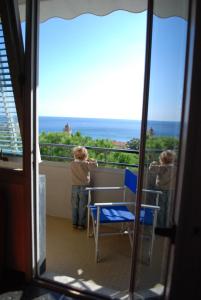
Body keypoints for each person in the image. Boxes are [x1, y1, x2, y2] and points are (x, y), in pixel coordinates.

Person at [70, 146, 98, 230]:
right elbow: (95, 166)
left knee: (74, 205)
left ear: (75, 155)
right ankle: (81, 225)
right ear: (85, 156)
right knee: (83, 206)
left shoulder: (72, 164)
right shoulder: (86, 164)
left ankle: (74, 223)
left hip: (74, 186)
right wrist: (93, 161)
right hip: (84, 187)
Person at [149, 150, 176, 227]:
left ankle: (160, 225)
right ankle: (167, 224)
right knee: (169, 208)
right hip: (172, 190)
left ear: (161, 159)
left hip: (161, 190)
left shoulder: (161, 168)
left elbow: (151, 168)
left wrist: (153, 162)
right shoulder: (175, 168)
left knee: (160, 208)